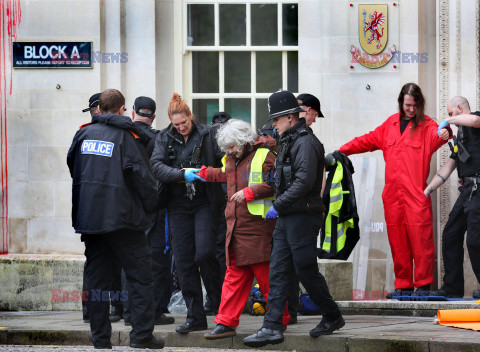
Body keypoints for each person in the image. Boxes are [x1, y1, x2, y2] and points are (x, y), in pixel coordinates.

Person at [243, 90, 344, 348]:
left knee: (305, 269)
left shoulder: (306, 143)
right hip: (289, 214)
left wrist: (277, 204)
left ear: (290, 117)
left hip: (303, 214)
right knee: (278, 271)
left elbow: (303, 182)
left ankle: (331, 315)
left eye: (276, 120)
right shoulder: (289, 140)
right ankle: (272, 327)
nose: (273, 124)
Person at [67, 89, 164, 349]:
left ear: (98, 109)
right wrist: (151, 206)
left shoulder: (83, 134)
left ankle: (100, 339)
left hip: (91, 220)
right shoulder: (126, 137)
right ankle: (142, 336)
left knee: (98, 282)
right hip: (124, 221)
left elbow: (73, 167)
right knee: (140, 278)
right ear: (122, 109)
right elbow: (143, 179)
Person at [338, 83, 451, 298]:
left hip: (415, 194)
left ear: (420, 105)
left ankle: (423, 285)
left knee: (421, 240)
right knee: (397, 241)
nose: (410, 109)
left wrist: (447, 132)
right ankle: (403, 285)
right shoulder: (389, 124)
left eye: (414, 106)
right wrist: (342, 150)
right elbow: (367, 140)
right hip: (392, 195)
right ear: (401, 102)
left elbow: (441, 135)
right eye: (407, 105)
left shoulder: (428, 127)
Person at [198, 119, 290, 339]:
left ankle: (278, 319)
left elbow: (276, 184)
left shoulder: (265, 155)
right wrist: (202, 173)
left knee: (266, 279)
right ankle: (225, 323)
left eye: (232, 147)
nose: (230, 151)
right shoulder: (234, 157)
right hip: (238, 228)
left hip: (258, 228)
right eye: (227, 148)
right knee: (234, 278)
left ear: (243, 141)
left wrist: (249, 193)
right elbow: (226, 173)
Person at [150, 93, 224, 334]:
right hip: (178, 203)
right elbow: (157, 166)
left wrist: (208, 173)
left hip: (204, 201)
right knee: (183, 261)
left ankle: (218, 303)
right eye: (176, 124)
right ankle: (195, 317)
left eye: (184, 123)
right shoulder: (164, 137)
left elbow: (226, 163)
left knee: (204, 254)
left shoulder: (208, 134)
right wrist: (181, 174)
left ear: (191, 117)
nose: (181, 128)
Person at [121, 96, 174, 325]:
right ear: (154, 116)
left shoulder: (121, 136)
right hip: (153, 206)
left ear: (132, 112)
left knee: (129, 259)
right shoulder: (160, 138)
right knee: (156, 260)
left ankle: (128, 311)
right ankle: (152, 311)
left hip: (125, 207)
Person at [425, 96, 480, 298]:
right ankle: (452, 288)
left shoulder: (475, 119)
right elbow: (446, 169)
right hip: (467, 191)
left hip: (479, 190)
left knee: (475, 241)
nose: (449, 117)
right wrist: (427, 191)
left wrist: (447, 122)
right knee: (450, 235)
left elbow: (474, 121)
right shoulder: (462, 138)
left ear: (459, 108)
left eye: (450, 113)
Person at [80, 92, 124, 325]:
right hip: (106, 209)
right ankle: (102, 309)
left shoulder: (83, 133)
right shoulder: (108, 134)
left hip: (90, 209)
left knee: (96, 264)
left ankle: (99, 310)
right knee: (101, 265)